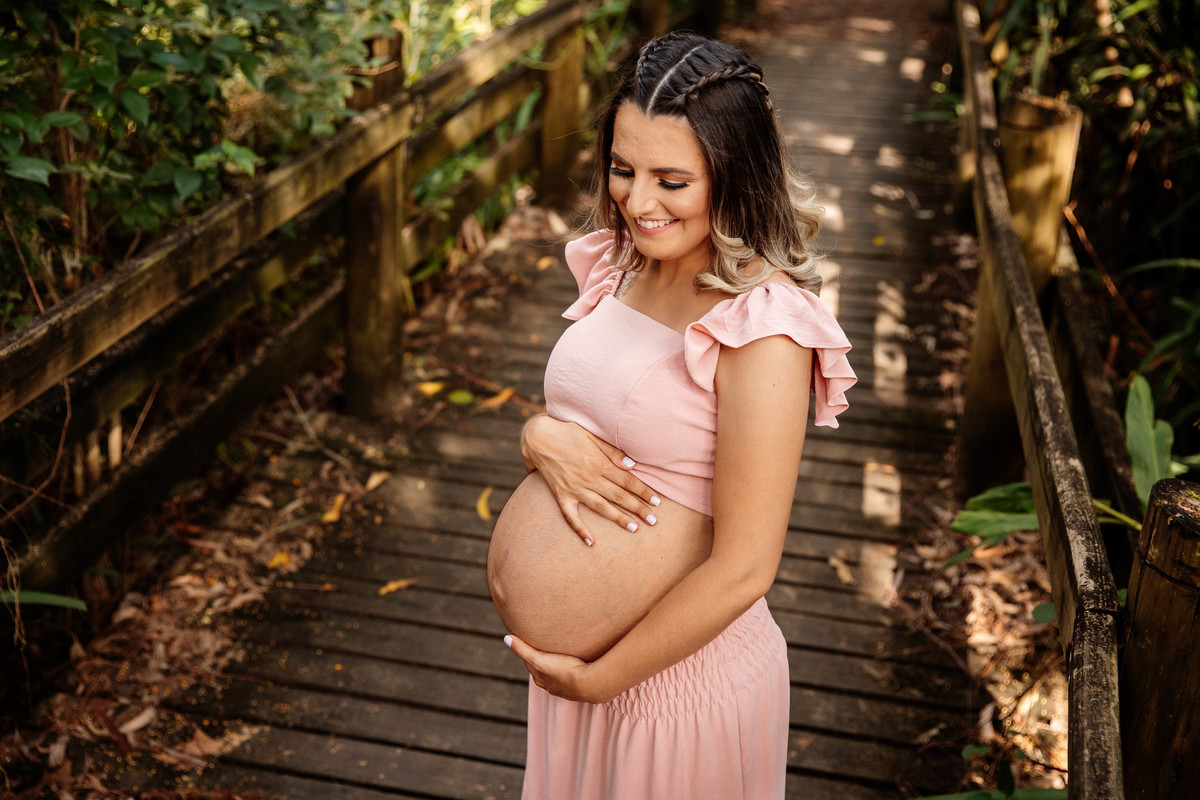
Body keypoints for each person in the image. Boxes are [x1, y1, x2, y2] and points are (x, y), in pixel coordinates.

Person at [485, 31, 857, 799]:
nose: (638, 201)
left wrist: (600, 680)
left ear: (736, 174)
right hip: (580, 685)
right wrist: (538, 435)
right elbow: (604, 417)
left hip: (670, 689)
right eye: (623, 169)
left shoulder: (763, 327)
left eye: (672, 181)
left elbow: (746, 567)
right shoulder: (626, 263)